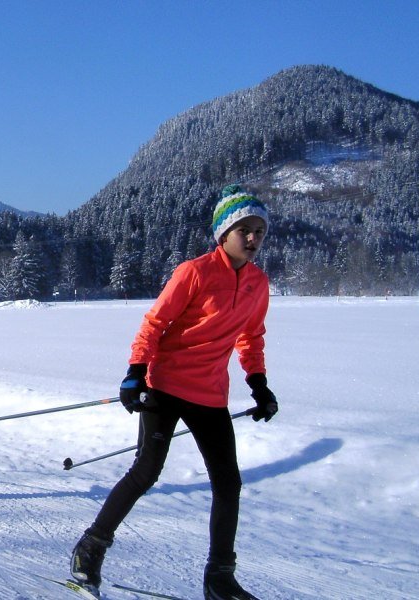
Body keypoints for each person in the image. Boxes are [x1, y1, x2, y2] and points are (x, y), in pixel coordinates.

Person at [70, 185, 280, 600]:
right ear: (224, 233)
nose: (254, 238)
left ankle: (219, 577)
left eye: (260, 231)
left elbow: (251, 337)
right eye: (245, 230)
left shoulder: (258, 283)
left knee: (228, 483)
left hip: (211, 395)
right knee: (146, 470)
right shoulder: (195, 272)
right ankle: (91, 547)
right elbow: (155, 323)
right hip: (165, 386)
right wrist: (135, 371)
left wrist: (258, 383)